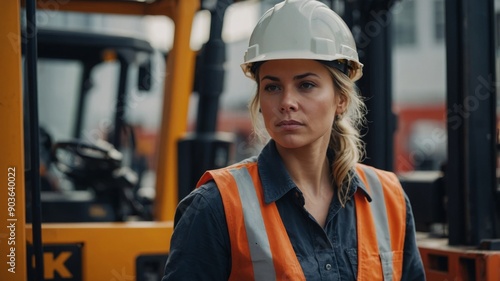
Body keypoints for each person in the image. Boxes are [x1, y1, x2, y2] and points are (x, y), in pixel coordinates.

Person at [162, 0, 425, 280]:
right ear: (260, 101)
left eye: (306, 85)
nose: (287, 102)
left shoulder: (389, 200)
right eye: (272, 87)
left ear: (341, 99)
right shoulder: (215, 207)